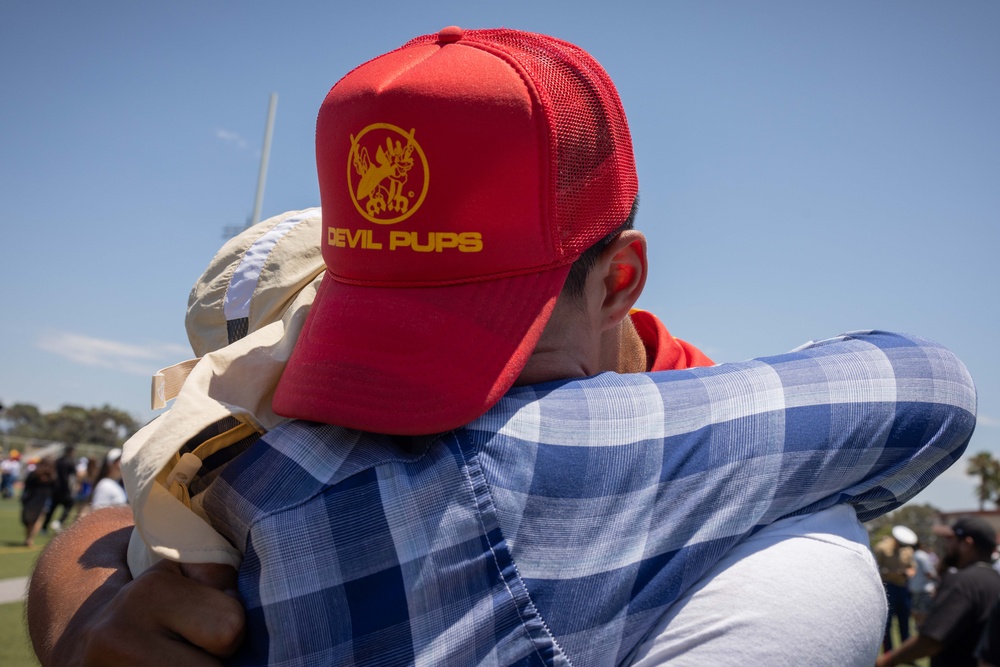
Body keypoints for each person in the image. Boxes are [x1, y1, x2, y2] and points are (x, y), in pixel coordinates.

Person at [26, 27, 976, 667]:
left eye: (476, 321)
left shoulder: (754, 492)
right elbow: (95, 533)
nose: (382, 392)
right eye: (379, 313)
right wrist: (87, 616)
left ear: (619, 280)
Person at [877, 517, 1000, 667]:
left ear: (966, 544)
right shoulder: (995, 579)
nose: (947, 545)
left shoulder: (963, 582)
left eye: (951, 539)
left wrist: (886, 661)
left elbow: (931, 640)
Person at [876, 524, 918, 651]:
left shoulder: (908, 550)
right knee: (887, 623)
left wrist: (910, 572)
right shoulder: (881, 548)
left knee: (905, 622)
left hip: (902, 587)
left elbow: (912, 567)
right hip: (888, 588)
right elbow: (876, 569)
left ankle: (905, 652)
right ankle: (889, 652)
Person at [21, 457, 57, 547]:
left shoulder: (34, 474)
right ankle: (30, 538)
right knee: (38, 519)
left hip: (32, 498)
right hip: (45, 499)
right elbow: (55, 488)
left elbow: (27, 485)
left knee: (29, 520)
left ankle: (28, 537)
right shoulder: (52, 476)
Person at [43, 445, 77, 533]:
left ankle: (44, 527)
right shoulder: (70, 462)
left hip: (55, 488)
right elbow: (72, 477)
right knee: (69, 505)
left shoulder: (58, 461)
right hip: (65, 489)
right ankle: (59, 522)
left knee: (52, 508)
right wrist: (73, 489)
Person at [911, 537, 941, 628]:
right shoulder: (922, 555)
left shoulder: (912, 555)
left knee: (917, 612)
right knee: (925, 614)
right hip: (925, 590)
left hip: (916, 589)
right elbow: (929, 573)